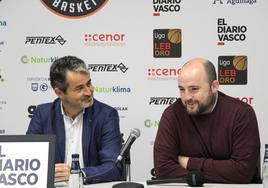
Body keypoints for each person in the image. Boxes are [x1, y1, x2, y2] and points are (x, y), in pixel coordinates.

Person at [153, 58, 261, 183]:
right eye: (182, 89)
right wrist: (217, 173)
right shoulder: (172, 114)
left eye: (194, 89)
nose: (187, 97)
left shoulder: (241, 114)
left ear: (214, 86)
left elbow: (242, 171)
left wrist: (188, 162)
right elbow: (163, 170)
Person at [26, 56, 123, 184]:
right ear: (59, 93)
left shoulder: (106, 115)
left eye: (89, 84)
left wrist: (77, 174)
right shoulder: (43, 114)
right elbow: (28, 162)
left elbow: (113, 167)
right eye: (79, 88)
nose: (89, 92)